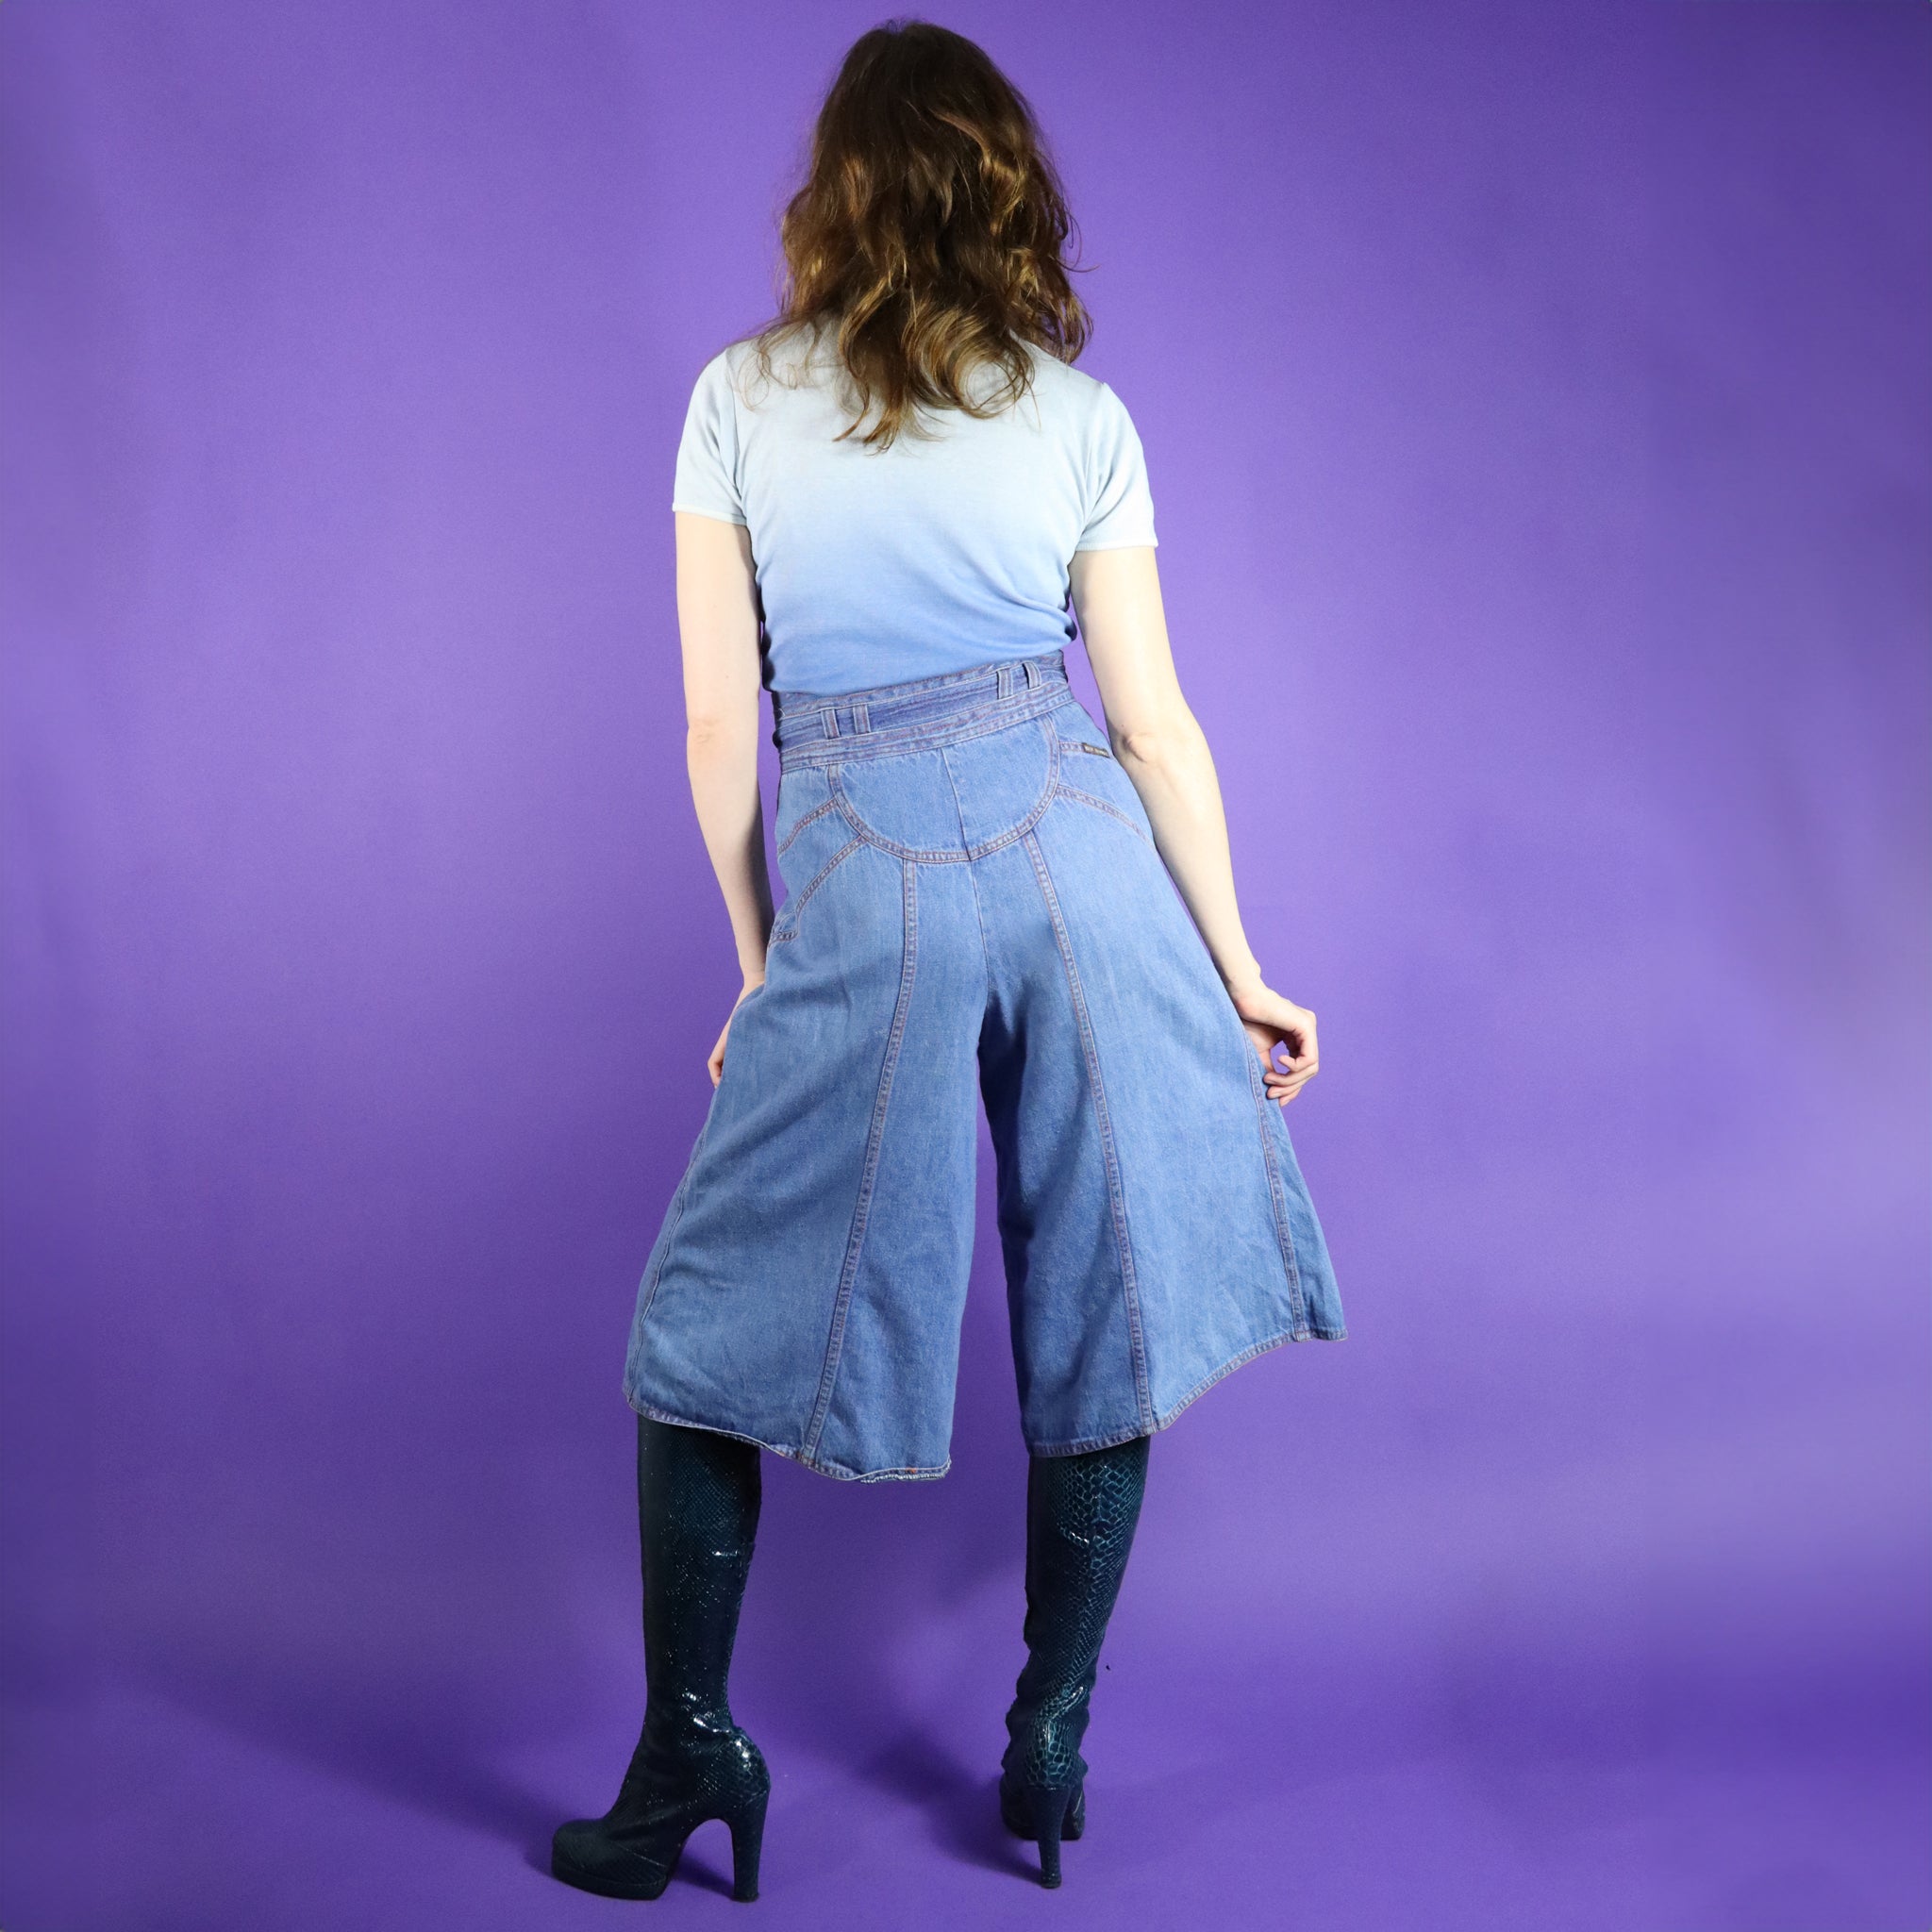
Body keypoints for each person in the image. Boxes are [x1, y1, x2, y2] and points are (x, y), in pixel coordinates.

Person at [551, 18, 1347, 1903]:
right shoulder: (1080, 417)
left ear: (832, 192)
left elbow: (715, 735)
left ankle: (688, 1751)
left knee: (701, 1338)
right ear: (1007, 193)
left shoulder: (735, 402)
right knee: (1111, 1295)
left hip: (866, 866)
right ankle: (1050, 1730)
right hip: (1077, 853)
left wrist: (765, 963)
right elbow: (1152, 727)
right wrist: (1238, 960)